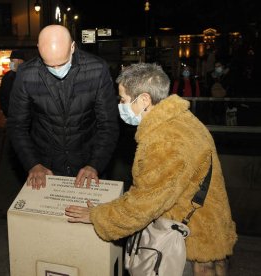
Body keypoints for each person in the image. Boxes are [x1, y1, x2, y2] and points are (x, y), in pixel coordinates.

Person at [65, 63, 237, 276]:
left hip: (189, 248)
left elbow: (144, 204)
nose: (120, 105)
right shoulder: (182, 121)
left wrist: (99, 216)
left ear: (144, 100)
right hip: (207, 230)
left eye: (123, 100)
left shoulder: (164, 141)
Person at [7, 25, 119, 189]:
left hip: (87, 161)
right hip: (46, 165)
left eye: (61, 63)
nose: (57, 70)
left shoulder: (97, 69)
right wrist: (33, 164)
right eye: (49, 65)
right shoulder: (26, 74)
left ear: (73, 47)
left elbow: (108, 125)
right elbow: (17, 126)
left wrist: (95, 164)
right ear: (39, 49)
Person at [0, 50, 24, 117]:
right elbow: (1, 94)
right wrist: (5, 110)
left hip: (25, 116)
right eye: (10, 60)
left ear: (20, 61)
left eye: (12, 61)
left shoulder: (28, 75)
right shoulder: (7, 76)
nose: (10, 63)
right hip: (10, 115)